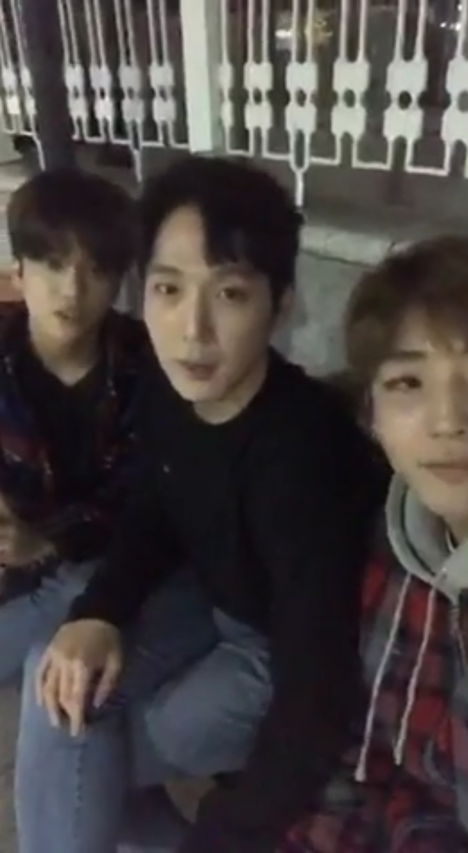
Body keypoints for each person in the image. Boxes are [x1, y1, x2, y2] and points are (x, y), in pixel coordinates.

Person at [18, 155, 388, 853]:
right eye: (167, 288)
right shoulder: (170, 385)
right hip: (212, 599)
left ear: (281, 305)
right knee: (61, 676)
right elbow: (156, 502)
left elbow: (319, 686)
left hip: (283, 649)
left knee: (83, 750)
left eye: (230, 294)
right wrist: (99, 610)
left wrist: (227, 836)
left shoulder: (304, 457)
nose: (192, 331)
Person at [282, 235, 468, 853]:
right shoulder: (397, 546)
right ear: (372, 416)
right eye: (408, 382)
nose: (449, 420)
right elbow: (370, 766)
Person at [0, 167, 146, 683]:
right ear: (19, 273)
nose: (72, 290)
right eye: (54, 264)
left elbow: (139, 504)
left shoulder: (142, 366)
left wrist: (42, 543)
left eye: (96, 270)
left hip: (87, 561)